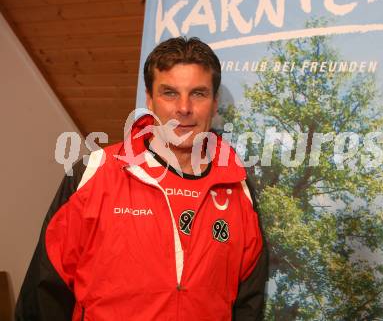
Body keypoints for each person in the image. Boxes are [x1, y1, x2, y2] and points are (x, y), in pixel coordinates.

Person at [15, 37, 268, 321]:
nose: (183, 108)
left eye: (198, 93)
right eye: (170, 93)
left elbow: (249, 303)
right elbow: (43, 295)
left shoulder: (238, 188)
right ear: (149, 100)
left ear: (214, 102)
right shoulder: (92, 174)